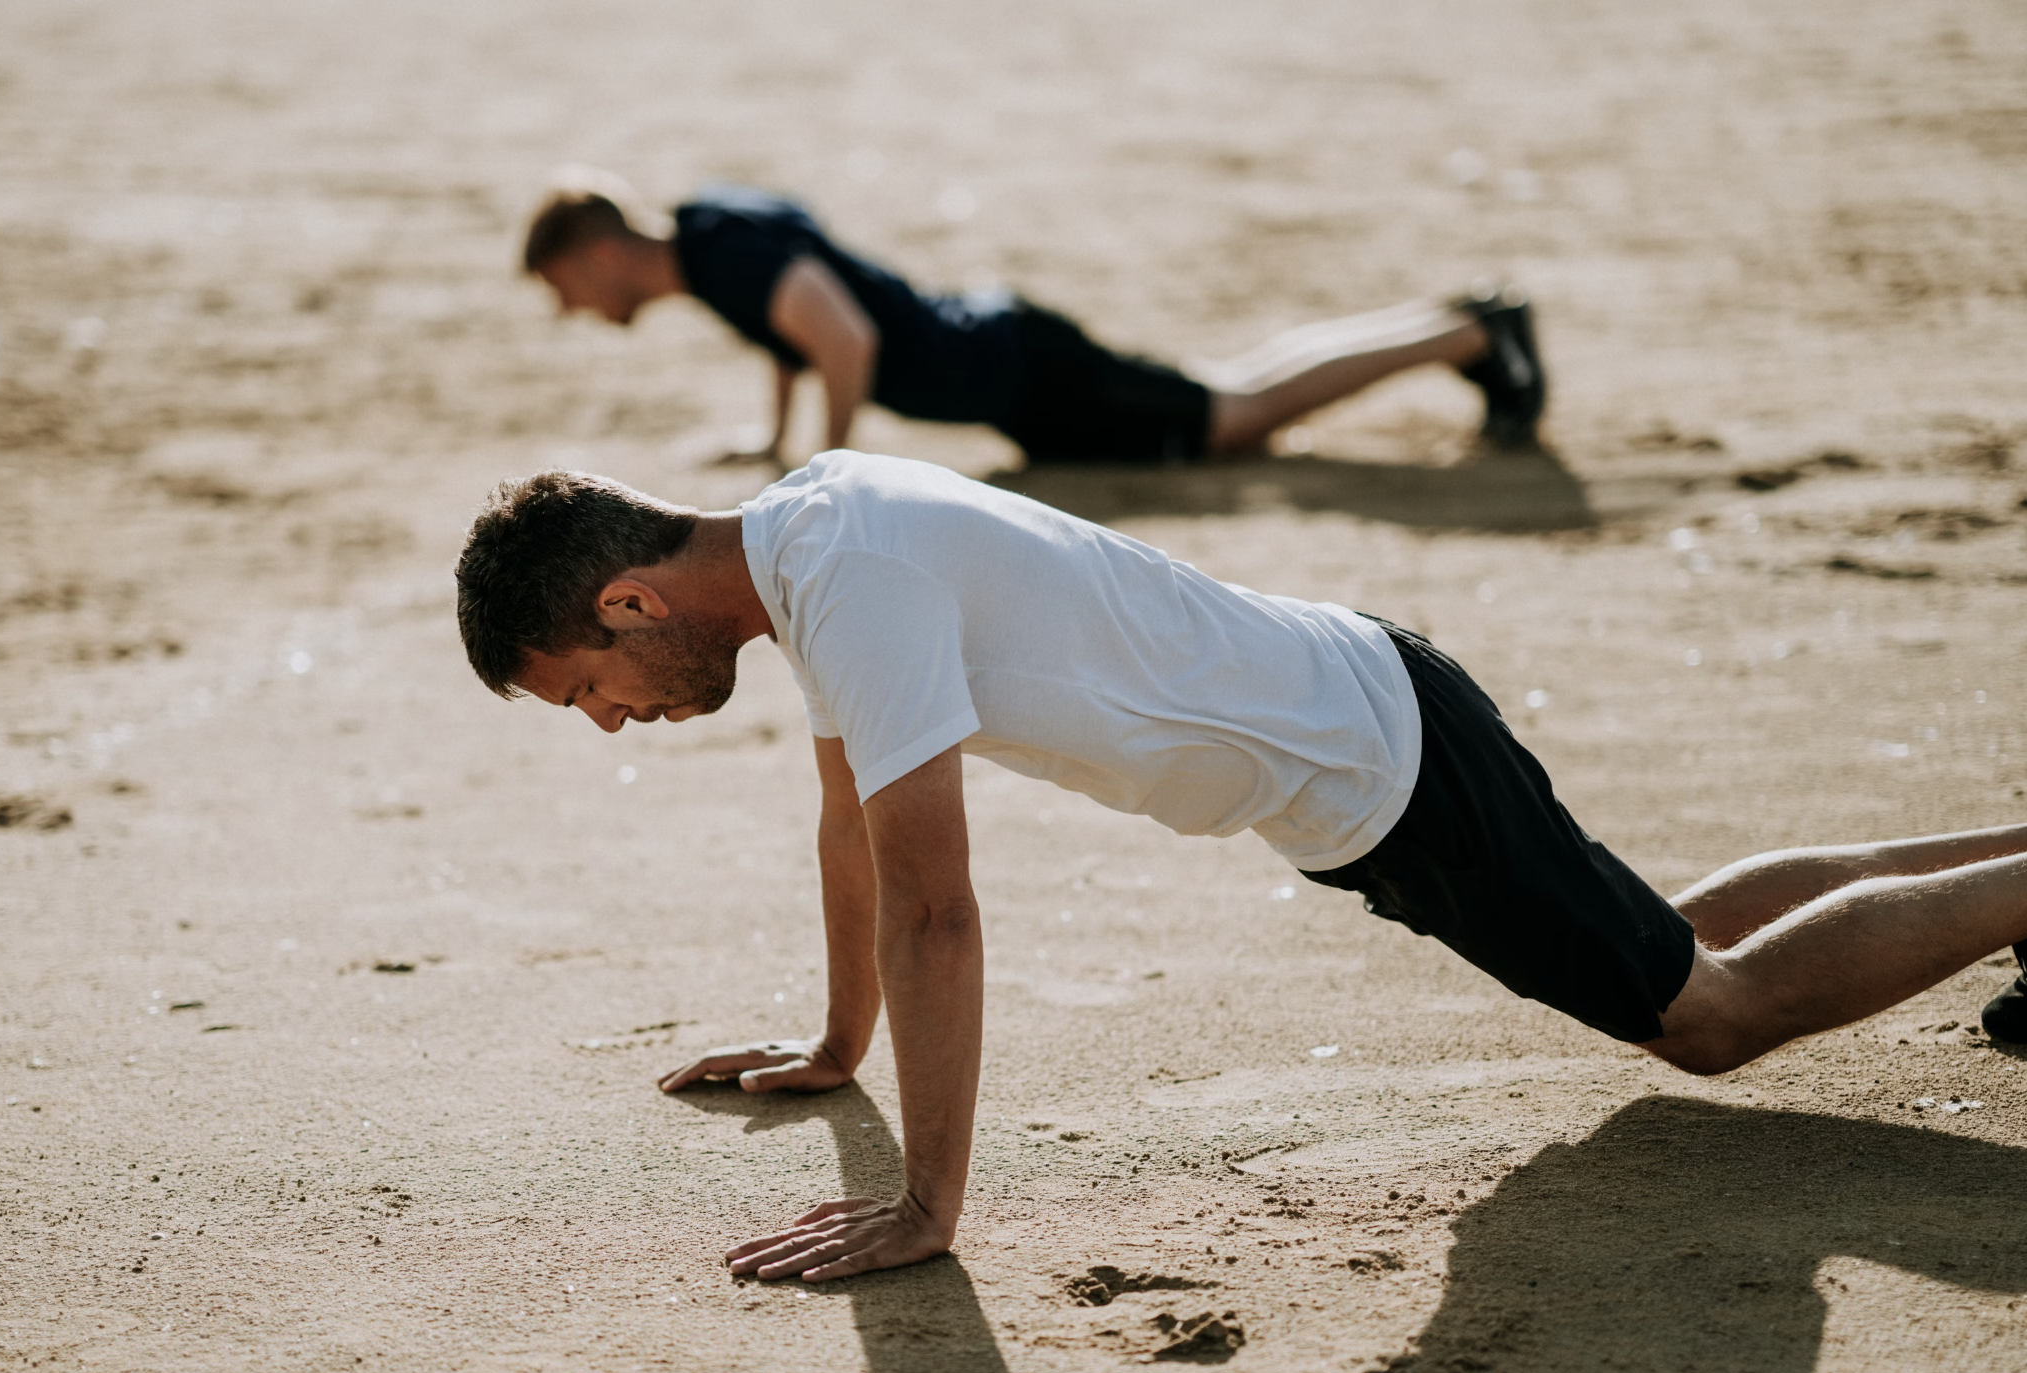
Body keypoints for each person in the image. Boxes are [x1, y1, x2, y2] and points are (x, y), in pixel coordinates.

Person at [453, 450, 2027, 1284]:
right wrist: (835, 1042)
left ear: (633, 604)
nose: (610, 723)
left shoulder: (844, 578)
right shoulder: (812, 530)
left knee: (1709, 1017)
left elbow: (938, 906)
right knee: (1673, 938)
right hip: (1374, 720)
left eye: (585, 688)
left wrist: (928, 1201)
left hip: (1382, 767)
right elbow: (851, 824)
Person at [518, 175, 1546, 466]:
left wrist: (827, 469)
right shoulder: (708, 238)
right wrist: (775, 438)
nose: (574, 310)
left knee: (1234, 417)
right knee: (1228, 389)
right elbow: (795, 335)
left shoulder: (723, 256)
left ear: (598, 253)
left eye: (565, 288)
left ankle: (1470, 335)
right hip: (1007, 363)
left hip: (1016, 370)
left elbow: (845, 339)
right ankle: (1457, 323)